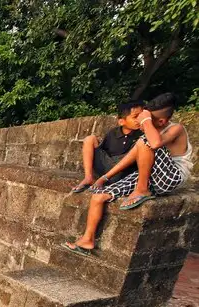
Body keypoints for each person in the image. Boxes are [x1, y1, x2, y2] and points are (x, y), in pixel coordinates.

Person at [65, 93, 192, 254]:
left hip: (170, 177)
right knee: (98, 196)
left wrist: (146, 121)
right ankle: (87, 240)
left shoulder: (176, 129)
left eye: (148, 119)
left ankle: (142, 190)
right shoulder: (147, 132)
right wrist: (105, 177)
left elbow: (154, 143)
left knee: (145, 140)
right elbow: (132, 156)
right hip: (151, 176)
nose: (142, 122)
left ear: (162, 121)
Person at [71, 101, 144, 193]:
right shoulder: (113, 133)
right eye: (135, 116)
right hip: (107, 166)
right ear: (122, 121)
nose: (140, 119)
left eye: (142, 116)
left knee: (139, 145)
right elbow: (102, 150)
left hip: (123, 171)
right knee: (90, 139)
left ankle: (105, 179)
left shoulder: (142, 134)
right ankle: (88, 177)